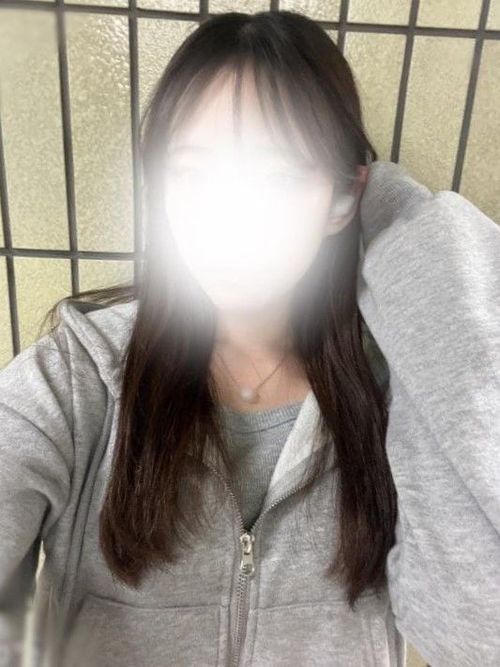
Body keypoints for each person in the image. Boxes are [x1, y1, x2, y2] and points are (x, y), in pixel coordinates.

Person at [0, 10, 499, 667]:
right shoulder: (77, 378)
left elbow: (474, 635)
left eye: (276, 177)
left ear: (342, 197)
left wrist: (404, 224)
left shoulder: (393, 389)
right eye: (193, 173)